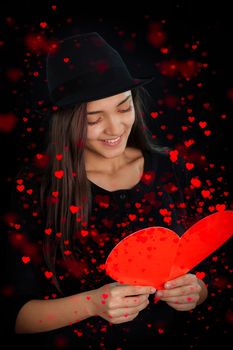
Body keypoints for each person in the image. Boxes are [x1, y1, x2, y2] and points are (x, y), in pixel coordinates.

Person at [7, 32, 209, 349]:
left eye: (123, 108)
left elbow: (209, 271)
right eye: (94, 118)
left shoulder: (173, 168)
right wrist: (92, 304)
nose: (115, 129)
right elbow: (17, 317)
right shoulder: (35, 191)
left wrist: (198, 292)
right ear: (67, 121)